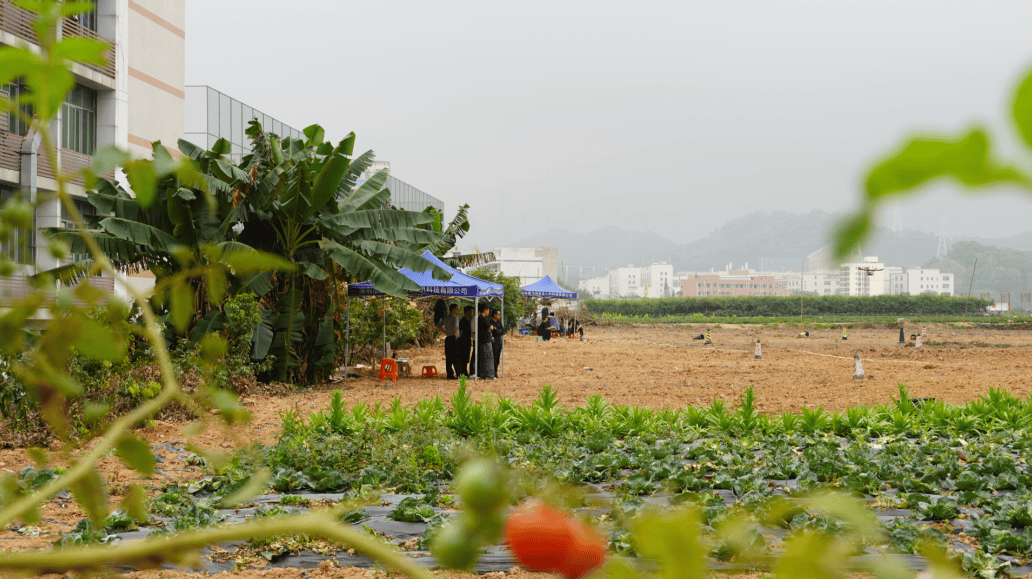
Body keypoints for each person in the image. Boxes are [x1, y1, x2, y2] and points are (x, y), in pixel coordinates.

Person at [437, 303, 461, 379]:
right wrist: (455, 335)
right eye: (457, 309)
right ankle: (458, 374)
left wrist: (446, 332)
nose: (458, 310)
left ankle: (449, 374)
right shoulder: (455, 317)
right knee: (456, 357)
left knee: (449, 357)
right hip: (454, 338)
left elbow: (439, 326)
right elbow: (456, 327)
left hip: (448, 338)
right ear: (453, 309)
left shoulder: (446, 317)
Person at [475, 303, 496, 379]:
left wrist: (489, 328)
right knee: (488, 358)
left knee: (483, 358)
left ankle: (483, 375)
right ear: (485, 310)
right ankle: (489, 375)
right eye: (488, 310)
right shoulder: (482, 318)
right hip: (485, 342)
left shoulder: (479, 318)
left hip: (482, 341)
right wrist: (491, 328)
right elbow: (490, 327)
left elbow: (488, 328)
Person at [457, 305, 474, 376]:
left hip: (467, 341)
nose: (473, 313)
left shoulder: (468, 321)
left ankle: (464, 371)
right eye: (472, 312)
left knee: (466, 357)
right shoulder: (463, 321)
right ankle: (463, 372)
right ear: (468, 312)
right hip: (463, 342)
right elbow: (460, 332)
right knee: (463, 357)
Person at [491, 308, 505, 376]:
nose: (500, 316)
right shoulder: (490, 322)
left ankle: (495, 371)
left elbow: (503, 331)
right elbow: (494, 332)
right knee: (493, 357)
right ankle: (492, 372)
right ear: (494, 315)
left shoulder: (499, 322)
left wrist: (497, 331)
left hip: (499, 342)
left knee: (497, 358)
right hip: (493, 343)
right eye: (499, 314)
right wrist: (497, 331)